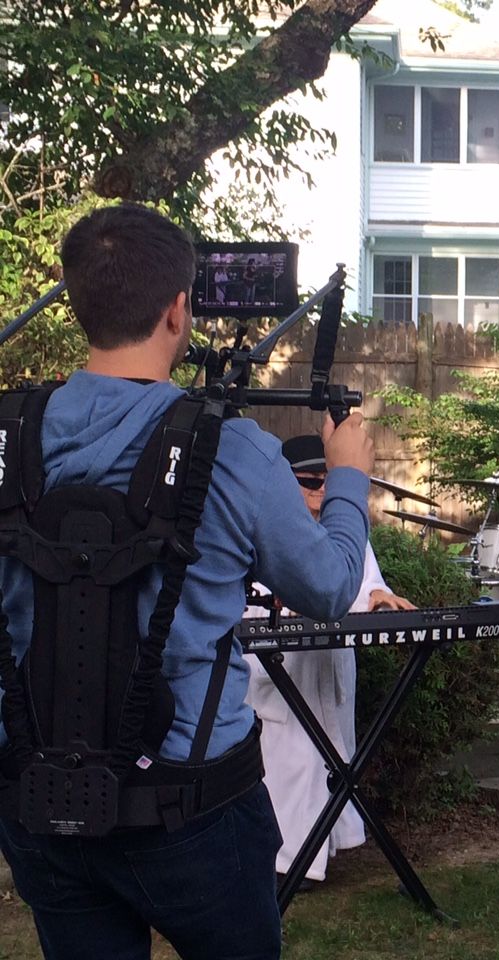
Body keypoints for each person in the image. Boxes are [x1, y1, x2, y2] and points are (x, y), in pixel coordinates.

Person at [0, 203, 375, 960]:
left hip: (37, 795)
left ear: (76, 304)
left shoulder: (8, 438)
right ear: (179, 310)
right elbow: (332, 587)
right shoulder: (234, 449)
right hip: (194, 804)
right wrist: (347, 477)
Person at [245, 434, 414, 889]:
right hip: (279, 668)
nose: (322, 490)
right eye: (310, 481)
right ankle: (284, 863)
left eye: (328, 480)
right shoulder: (267, 524)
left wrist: (379, 599)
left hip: (328, 665)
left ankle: (319, 851)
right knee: (288, 760)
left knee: (332, 755)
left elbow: (365, 582)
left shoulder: (346, 527)